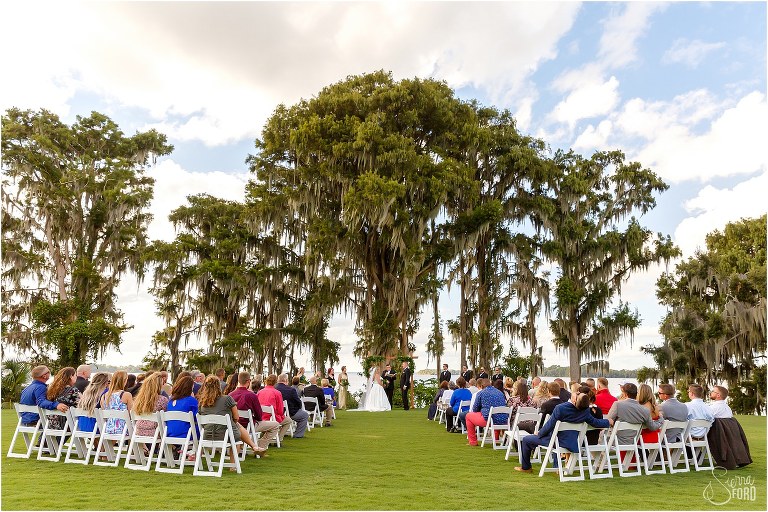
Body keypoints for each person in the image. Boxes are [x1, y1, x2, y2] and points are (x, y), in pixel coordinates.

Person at [514, 390, 612, 473]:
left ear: (574, 400)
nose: (577, 392)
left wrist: (539, 434)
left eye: (578, 393)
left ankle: (526, 468)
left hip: (556, 441)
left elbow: (549, 425)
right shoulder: (585, 411)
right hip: (572, 443)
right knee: (549, 436)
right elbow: (595, 422)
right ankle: (556, 467)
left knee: (527, 440)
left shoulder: (561, 408)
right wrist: (608, 421)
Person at [198, 376, 264, 460]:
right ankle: (233, 465)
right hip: (225, 435)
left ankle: (254, 446)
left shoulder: (202, 402)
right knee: (236, 432)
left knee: (235, 426)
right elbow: (236, 417)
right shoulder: (227, 399)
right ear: (219, 386)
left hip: (206, 435)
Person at [229, 372, 279, 451]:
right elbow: (259, 415)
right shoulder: (251, 395)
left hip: (234, 425)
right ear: (248, 381)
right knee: (275, 425)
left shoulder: (230, 395)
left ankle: (244, 446)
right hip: (248, 425)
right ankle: (261, 446)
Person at [465, 378, 507, 446]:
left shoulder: (481, 393)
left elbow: (475, 409)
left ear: (481, 386)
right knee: (495, 415)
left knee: (468, 416)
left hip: (488, 420)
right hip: (502, 420)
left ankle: (473, 441)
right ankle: (496, 439)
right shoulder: (500, 392)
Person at [133, 373, 169, 438]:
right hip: (155, 433)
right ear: (158, 386)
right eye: (162, 384)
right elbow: (166, 417)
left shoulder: (139, 399)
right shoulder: (162, 399)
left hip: (138, 431)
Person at [258, 374, 294, 439]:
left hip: (261, 417)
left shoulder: (260, 392)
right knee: (289, 421)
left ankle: (265, 435)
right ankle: (279, 439)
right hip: (272, 418)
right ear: (276, 382)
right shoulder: (277, 393)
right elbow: (280, 411)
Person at [100, 370, 134, 435]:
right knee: (136, 430)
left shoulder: (104, 396)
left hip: (108, 428)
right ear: (124, 381)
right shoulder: (126, 395)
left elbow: (104, 414)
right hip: (123, 429)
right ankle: (132, 445)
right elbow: (131, 414)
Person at [276, 373, 309, 438]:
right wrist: (298, 408)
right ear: (286, 380)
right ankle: (298, 435)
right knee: (304, 415)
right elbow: (298, 402)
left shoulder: (274, 388)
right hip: (290, 413)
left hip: (275, 413)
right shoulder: (291, 390)